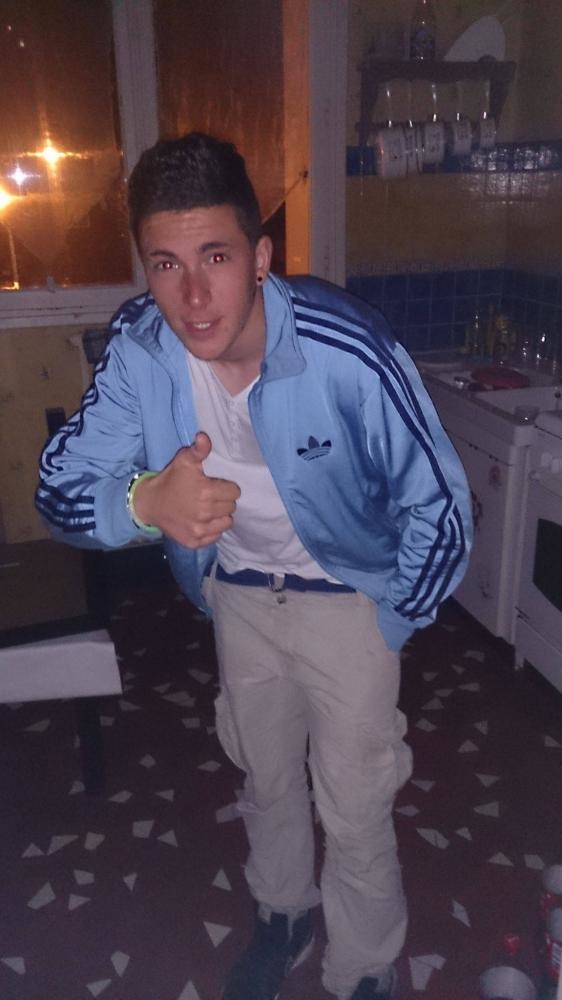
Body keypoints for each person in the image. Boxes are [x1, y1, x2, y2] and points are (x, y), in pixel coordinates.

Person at [36, 132, 472, 1000]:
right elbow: (58, 492)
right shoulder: (141, 349)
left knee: (354, 806)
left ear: (261, 257)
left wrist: (389, 623)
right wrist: (144, 502)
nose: (193, 296)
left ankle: (363, 968)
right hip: (237, 598)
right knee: (265, 782)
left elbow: (444, 510)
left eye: (216, 257)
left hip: (349, 604)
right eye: (165, 265)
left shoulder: (347, 350)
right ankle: (284, 915)